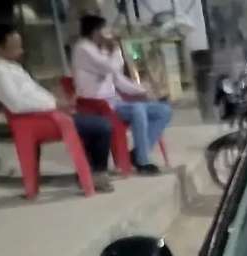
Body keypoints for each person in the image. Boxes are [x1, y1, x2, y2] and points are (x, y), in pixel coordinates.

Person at [0, 24, 115, 192]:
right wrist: (54, 105)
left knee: (93, 125)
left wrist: (57, 103)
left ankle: (89, 172)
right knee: (102, 126)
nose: (21, 50)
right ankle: (96, 173)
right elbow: (16, 104)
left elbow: (35, 92)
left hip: (45, 115)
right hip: (36, 121)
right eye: (16, 46)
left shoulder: (11, 67)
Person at [72, 14, 172, 175]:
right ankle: (143, 161)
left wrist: (144, 91)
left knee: (163, 110)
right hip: (95, 104)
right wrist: (115, 49)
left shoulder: (102, 49)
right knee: (137, 109)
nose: (108, 33)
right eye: (104, 30)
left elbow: (117, 78)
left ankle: (138, 153)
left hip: (114, 101)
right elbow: (109, 67)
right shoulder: (83, 48)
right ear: (95, 32)